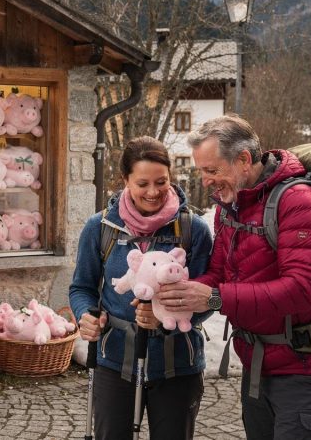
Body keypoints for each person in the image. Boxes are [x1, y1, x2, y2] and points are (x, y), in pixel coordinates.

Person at [157, 115, 311, 439]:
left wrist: (215, 298)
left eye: (211, 170)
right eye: (201, 171)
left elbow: (302, 290)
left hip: (309, 368)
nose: (205, 181)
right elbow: (220, 274)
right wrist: (173, 297)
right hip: (259, 364)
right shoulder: (230, 206)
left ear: (244, 160)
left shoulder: (300, 202)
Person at [70, 136, 213, 440]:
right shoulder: (100, 228)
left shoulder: (192, 229)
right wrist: (86, 315)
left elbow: (209, 299)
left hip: (177, 364)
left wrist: (165, 317)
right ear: (125, 181)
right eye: (142, 183)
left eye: (161, 182)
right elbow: (81, 287)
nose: (153, 192)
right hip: (114, 360)